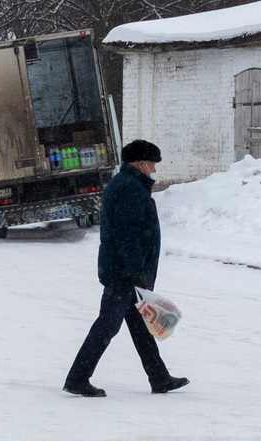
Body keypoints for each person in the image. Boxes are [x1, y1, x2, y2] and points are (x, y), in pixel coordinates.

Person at [64, 139, 189, 397]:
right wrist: (136, 272)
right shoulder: (131, 188)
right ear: (141, 163)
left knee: (141, 327)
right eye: (152, 165)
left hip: (124, 271)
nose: (153, 171)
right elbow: (128, 235)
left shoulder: (127, 185)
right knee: (107, 326)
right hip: (123, 273)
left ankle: (159, 377)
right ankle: (77, 378)